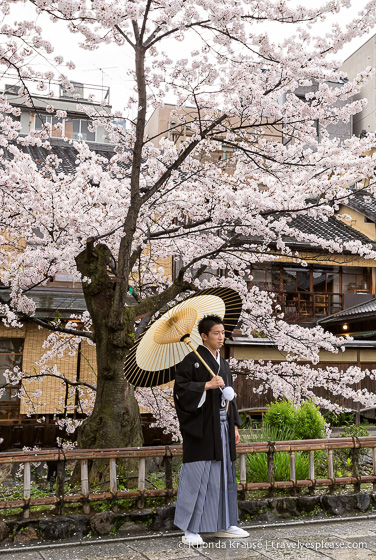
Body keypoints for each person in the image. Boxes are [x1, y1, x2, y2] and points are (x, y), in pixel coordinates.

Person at [173, 314, 249, 546]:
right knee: (199, 475)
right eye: (216, 333)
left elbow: (230, 395)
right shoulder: (191, 360)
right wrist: (206, 385)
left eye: (223, 333)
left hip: (223, 427)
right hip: (203, 428)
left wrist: (234, 424)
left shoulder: (222, 362)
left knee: (224, 474)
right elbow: (180, 391)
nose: (221, 337)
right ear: (204, 336)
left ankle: (224, 524)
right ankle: (190, 529)